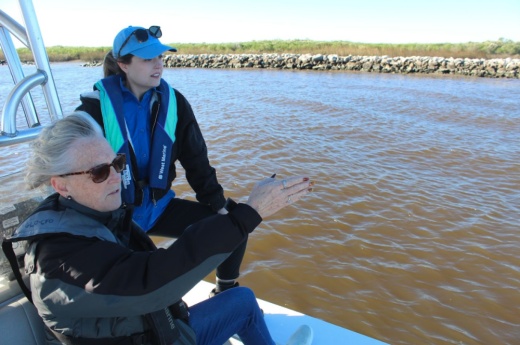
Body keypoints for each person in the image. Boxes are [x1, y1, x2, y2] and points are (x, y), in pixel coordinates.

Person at [5, 112, 314, 344]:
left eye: (117, 163)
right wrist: (249, 212)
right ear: (61, 185)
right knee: (243, 303)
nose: (116, 177)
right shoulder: (58, 257)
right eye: (99, 172)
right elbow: (148, 283)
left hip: (149, 331)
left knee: (239, 299)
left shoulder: (86, 218)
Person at [76, 25, 245, 295]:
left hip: (159, 207)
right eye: (147, 59)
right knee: (135, 285)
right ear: (123, 64)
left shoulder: (175, 103)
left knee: (236, 223)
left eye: (160, 57)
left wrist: (217, 203)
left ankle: (225, 291)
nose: (158, 65)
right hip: (116, 218)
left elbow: (196, 160)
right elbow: (73, 173)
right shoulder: (92, 111)